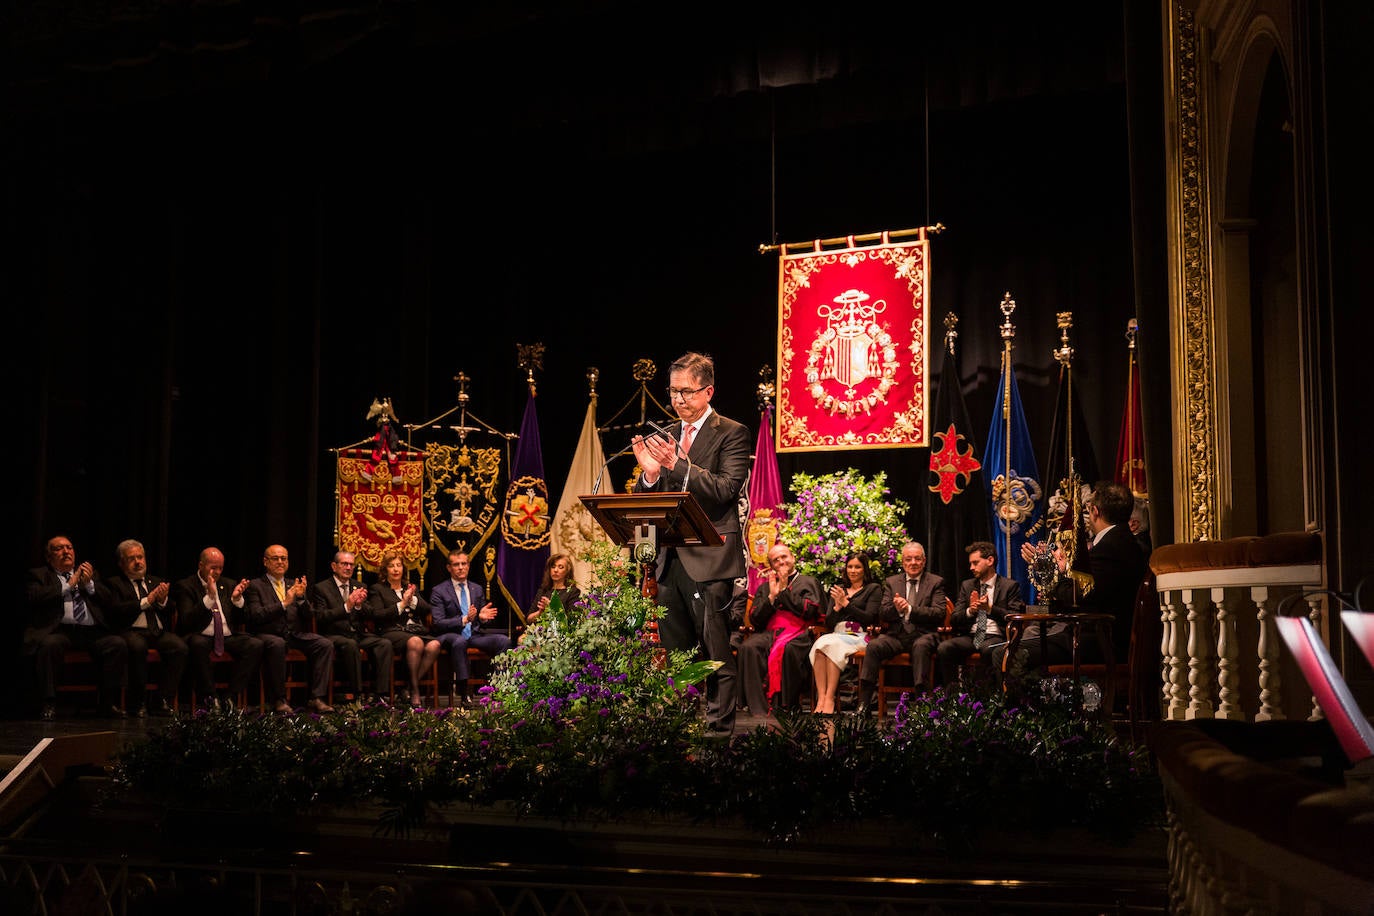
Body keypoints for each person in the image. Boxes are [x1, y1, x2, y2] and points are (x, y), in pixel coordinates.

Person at [631, 351, 750, 735]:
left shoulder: (731, 432)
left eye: (687, 392)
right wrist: (650, 476)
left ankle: (718, 731)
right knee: (676, 651)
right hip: (670, 557)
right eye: (673, 392)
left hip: (709, 557)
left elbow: (725, 490)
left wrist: (676, 466)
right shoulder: (664, 434)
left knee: (714, 651)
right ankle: (679, 727)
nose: (679, 400)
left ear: (708, 390)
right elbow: (647, 496)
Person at [1006, 480, 1148, 675]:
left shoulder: (1110, 547)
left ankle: (1025, 705)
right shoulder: (1122, 541)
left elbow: (1079, 596)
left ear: (1095, 511)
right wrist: (1062, 569)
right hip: (1098, 634)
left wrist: (1049, 569)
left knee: (1006, 653)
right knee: (1019, 645)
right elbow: (1093, 591)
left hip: (1100, 640)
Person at [24, 535, 128, 720]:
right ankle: (49, 702)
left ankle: (106, 703)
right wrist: (67, 586)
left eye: (69, 547)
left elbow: (111, 602)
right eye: (59, 548)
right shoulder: (40, 575)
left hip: (90, 632)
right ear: (49, 557)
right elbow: (34, 598)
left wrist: (89, 585)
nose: (66, 552)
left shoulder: (90, 574)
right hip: (60, 630)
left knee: (117, 644)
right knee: (49, 644)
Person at [855, 542, 947, 714]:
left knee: (921, 646)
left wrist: (910, 609)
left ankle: (923, 704)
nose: (913, 562)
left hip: (923, 635)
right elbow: (882, 613)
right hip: (897, 636)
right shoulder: (892, 582)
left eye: (917, 559)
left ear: (924, 561)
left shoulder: (935, 582)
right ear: (903, 562)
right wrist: (897, 609)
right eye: (908, 559)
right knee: (874, 646)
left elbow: (939, 613)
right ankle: (864, 702)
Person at [244, 544, 335, 714]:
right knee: (277, 644)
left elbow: (309, 616)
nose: (280, 562)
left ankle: (317, 698)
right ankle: (279, 699)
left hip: (293, 634)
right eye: (275, 558)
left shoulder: (293, 584)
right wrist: (284, 603)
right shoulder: (255, 585)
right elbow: (256, 615)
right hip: (267, 634)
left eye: (283, 558)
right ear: (265, 562)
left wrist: (301, 599)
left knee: (324, 644)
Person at [173, 547, 265, 712]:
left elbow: (242, 619)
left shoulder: (228, 584)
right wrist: (208, 598)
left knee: (255, 645)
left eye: (220, 568)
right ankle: (211, 698)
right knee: (198, 644)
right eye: (212, 567)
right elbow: (187, 620)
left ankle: (230, 697)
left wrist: (238, 601)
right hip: (200, 634)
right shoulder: (186, 586)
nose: (217, 572)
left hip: (227, 635)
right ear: (201, 565)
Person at [737, 543, 822, 716]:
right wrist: (771, 597)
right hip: (770, 632)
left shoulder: (808, 581)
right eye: (776, 560)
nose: (781, 561)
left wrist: (784, 592)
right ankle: (758, 708)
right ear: (771, 566)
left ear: (793, 558)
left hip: (800, 631)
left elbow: (810, 611)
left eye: (784, 556)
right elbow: (756, 619)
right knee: (749, 647)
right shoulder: (765, 586)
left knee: (790, 649)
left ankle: (786, 705)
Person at [106, 538, 188, 717]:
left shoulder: (155, 581)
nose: (138, 562)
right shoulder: (115, 583)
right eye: (132, 559)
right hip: (130, 631)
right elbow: (116, 610)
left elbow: (172, 608)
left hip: (156, 631)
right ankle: (137, 702)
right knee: (137, 647)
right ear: (121, 563)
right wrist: (146, 601)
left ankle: (162, 700)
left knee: (179, 647)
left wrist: (163, 600)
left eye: (140, 557)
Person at [937, 540, 1026, 685]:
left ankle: (987, 696)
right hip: (972, 636)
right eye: (970, 563)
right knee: (945, 648)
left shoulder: (1009, 586)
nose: (971, 567)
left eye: (975, 562)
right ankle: (952, 696)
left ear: (990, 560)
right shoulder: (967, 586)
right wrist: (970, 611)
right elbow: (954, 618)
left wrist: (990, 609)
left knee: (988, 649)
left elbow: (1013, 617)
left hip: (995, 635)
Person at [310, 550, 393, 704]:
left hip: (358, 634)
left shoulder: (359, 585)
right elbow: (321, 617)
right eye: (344, 564)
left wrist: (360, 605)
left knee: (384, 643)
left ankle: (379, 693)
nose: (348, 568)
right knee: (350, 644)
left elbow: (371, 613)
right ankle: (357, 694)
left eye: (351, 565)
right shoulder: (322, 588)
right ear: (334, 566)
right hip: (334, 634)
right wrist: (347, 606)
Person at [430, 551, 512, 707]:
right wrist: (464, 619)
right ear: (449, 568)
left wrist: (481, 618)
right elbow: (438, 622)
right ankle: (464, 693)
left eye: (464, 564)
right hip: (450, 635)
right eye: (456, 564)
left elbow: (480, 620)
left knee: (503, 641)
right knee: (459, 641)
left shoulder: (476, 589)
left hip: (474, 635)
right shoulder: (439, 591)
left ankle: (500, 688)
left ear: (468, 566)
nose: (461, 568)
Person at [809, 552, 883, 714]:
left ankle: (830, 698)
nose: (853, 570)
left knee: (832, 645)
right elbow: (829, 622)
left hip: (860, 635)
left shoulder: (873, 589)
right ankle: (821, 698)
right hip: (837, 634)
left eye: (857, 567)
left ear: (864, 570)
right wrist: (836, 606)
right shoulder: (839, 590)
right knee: (820, 645)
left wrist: (846, 603)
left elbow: (869, 617)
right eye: (850, 567)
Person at [368, 549, 439, 707]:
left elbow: (427, 608)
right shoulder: (377, 589)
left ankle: (406, 688)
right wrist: (401, 604)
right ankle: (414, 691)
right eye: (391, 566)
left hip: (414, 630)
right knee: (416, 642)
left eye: (398, 565)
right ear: (385, 570)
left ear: (403, 569)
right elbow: (378, 615)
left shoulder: (409, 587)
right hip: (391, 631)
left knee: (435, 645)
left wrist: (412, 599)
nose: (395, 569)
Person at [525, 553, 581, 627]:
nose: (555, 570)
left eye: (560, 567)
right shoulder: (543, 591)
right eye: (553, 566)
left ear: (567, 571)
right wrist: (540, 613)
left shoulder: (573, 592)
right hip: (540, 632)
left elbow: (572, 621)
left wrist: (553, 607)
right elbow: (528, 619)